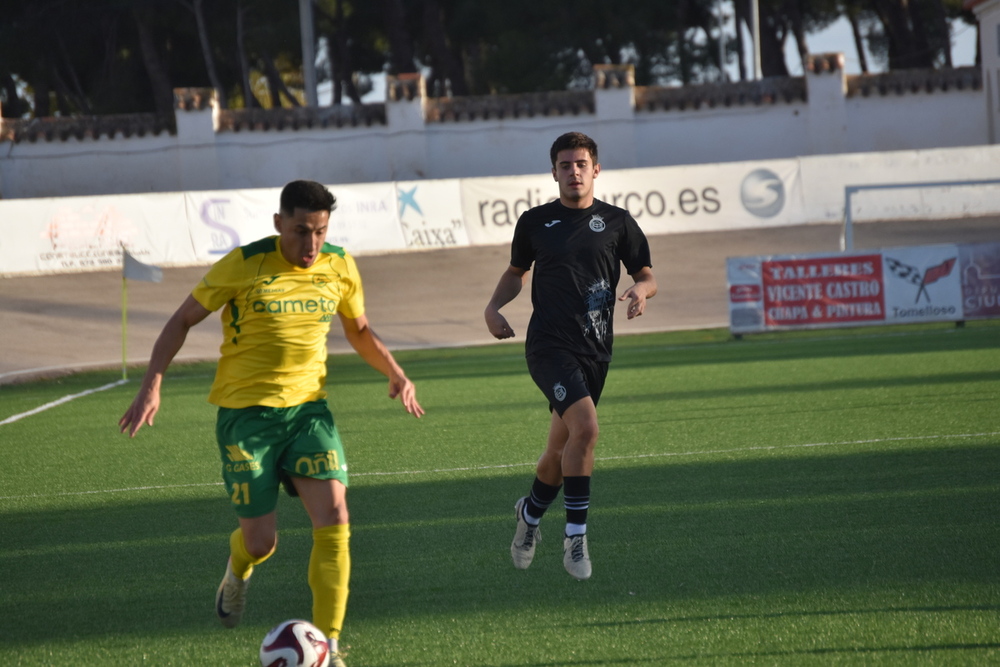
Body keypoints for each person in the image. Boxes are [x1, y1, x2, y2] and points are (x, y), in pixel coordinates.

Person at [119, 180, 423, 666]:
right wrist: (152, 382)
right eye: (301, 231)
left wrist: (395, 373)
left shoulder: (339, 265)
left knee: (336, 520)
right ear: (279, 223)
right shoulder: (244, 264)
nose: (311, 244)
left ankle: (330, 645)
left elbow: (358, 329)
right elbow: (180, 321)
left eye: (320, 232)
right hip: (246, 419)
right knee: (262, 543)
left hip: (308, 414)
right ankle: (238, 568)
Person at [484, 132, 657, 580]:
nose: (573, 172)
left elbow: (647, 274)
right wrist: (493, 307)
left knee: (559, 451)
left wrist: (640, 289)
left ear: (595, 169)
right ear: (554, 171)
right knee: (587, 428)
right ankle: (575, 538)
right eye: (565, 165)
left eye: (581, 164)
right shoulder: (535, 221)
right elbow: (515, 272)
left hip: (596, 350)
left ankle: (529, 515)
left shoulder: (618, 222)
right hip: (548, 347)